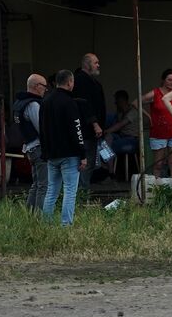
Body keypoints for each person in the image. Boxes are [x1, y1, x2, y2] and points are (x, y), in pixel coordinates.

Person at [38, 69, 87, 226]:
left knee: (52, 190)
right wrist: (83, 153)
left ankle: (46, 223)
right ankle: (66, 224)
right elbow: (76, 129)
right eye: (73, 82)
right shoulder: (69, 102)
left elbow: (42, 129)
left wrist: (45, 152)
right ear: (69, 82)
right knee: (70, 191)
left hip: (51, 154)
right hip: (69, 154)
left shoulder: (45, 101)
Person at [12, 73, 49, 211]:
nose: (45, 90)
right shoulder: (33, 104)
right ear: (37, 86)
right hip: (38, 148)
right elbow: (42, 128)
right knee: (43, 185)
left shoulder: (19, 103)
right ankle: (40, 218)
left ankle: (29, 214)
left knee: (36, 184)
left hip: (29, 147)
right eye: (44, 86)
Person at [73, 53, 106, 191]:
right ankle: (81, 194)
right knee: (85, 162)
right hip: (86, 130)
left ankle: (83, 192)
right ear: (87, 64)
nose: (98, 65)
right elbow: (85, 105)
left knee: (90, 162)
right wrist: (95, 123)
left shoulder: (91, 81)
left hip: (91, 131)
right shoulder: (81, 80)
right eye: (95, 62)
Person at [146, 69, 172, 178]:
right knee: (158, 164)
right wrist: (148, 116)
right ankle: (156, 190)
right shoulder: (155, 93)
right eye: (170, 80)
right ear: (163, 80)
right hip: (158, 133)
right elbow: (136, 103)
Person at [104, 89, 140, 175]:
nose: (115, 104)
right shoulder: (120, 113)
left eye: (116, 101)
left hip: (131, 139)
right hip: (121, 136)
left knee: (108, 147)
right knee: (104, 143)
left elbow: (120, 125)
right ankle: (107, 166)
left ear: (121, 100)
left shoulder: (133, 111)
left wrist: (106, 131)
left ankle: (110, 171)